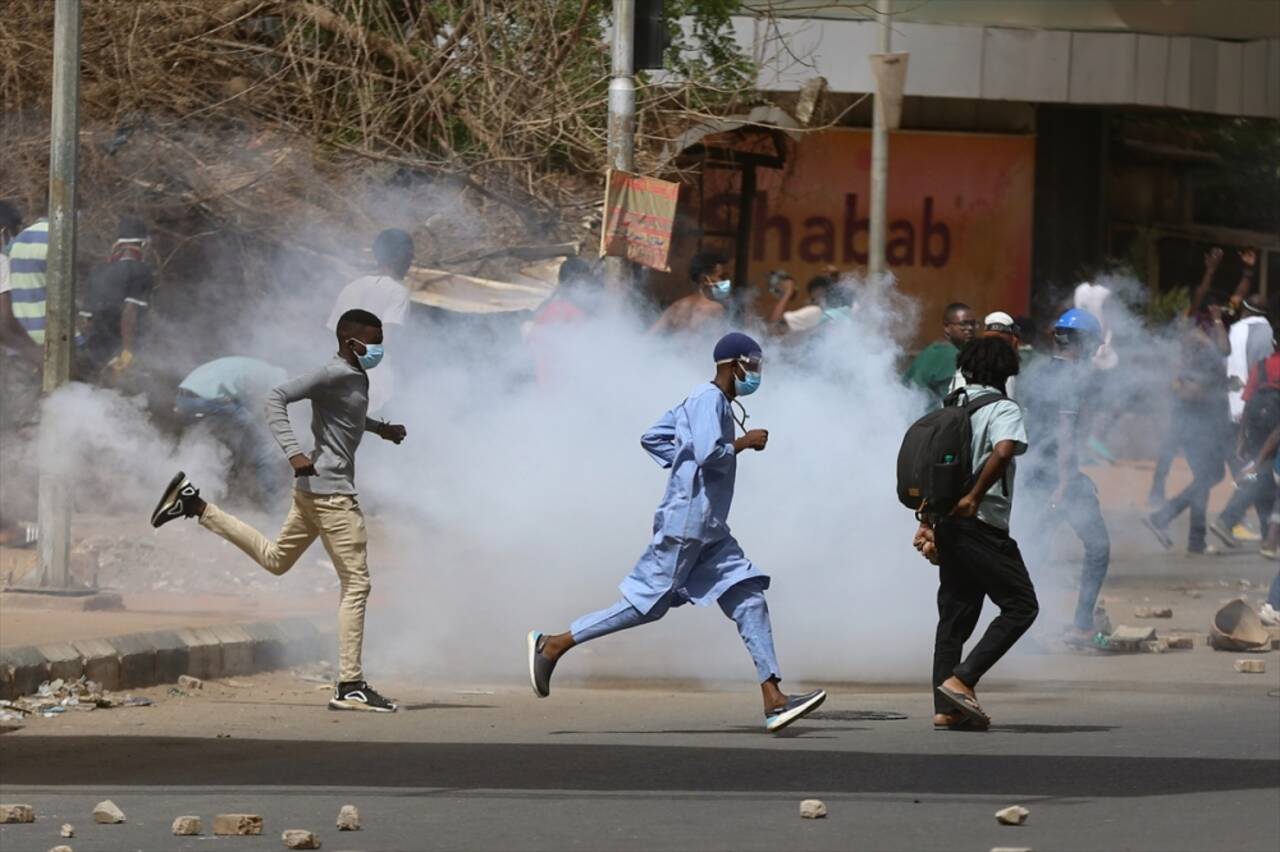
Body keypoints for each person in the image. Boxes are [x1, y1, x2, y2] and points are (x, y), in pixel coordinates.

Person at [527, 332, 827, 733]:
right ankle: (554, 643)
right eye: (751, 365)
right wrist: (741, 444)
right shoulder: (707, 399)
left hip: (710, 529)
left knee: (749, 596)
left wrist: (683, 464)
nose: (755, 373)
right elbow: (707, 453)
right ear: (732, 364)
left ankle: (774, 698)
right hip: (686, 526)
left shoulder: (708, 401)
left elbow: (653, 438)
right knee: (646, 605)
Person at [150, 309, 408, 713]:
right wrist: (293, 452)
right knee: (357, 585)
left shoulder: (355, 376)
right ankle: (350, 684)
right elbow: (275, 398)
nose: (378, 349)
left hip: (312, 493)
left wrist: (382, 429)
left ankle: (194, 504)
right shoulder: (332, 374)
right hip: (332, 496)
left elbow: (347, 416)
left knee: (275, 560)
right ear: (349, 340)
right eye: (373, 342)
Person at [913, 337, 1036, 730]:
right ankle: (962, 680)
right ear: (1006, 372)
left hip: (948, 523)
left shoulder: (953, 407)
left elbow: (931, 468)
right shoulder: (1003, 408)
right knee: (1021, 605)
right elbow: (1003, 450)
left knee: (955, 615)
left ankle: (945, 708)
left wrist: (928, 519)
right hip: (981, 523)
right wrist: (974, 497)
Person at [1019, 308, 1111, 644]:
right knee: (1098, 548)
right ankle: (1082, 626)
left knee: (1033, 551)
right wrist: (1064, 483)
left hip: (1031, 471)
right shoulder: (1072, 380)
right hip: (1059, 477)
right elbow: (1064, 434)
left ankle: (1019, 629)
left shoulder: (1037, 371)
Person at [1143, 314, 1229, 554]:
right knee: (1211, 475)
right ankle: (1162, 518)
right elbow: (1223, 351)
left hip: (1196, 425)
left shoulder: (1193, 354)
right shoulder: (1204, 350)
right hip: (1197, 426)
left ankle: (1196, 540)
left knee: (1204, 479)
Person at [174, 356, 290, 506]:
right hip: (207, 400)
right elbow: (254, 407)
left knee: (219, 444)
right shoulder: (271, 378)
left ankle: (203, 496)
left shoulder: (253, 367)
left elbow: (243, 404)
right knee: (265, 447)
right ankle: (274, 506)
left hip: (184, 399)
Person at [326, 229, 414, 415]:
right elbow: (384, 340)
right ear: (397, 257)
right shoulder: (397, 292)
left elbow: (330, 337)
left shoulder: (351, 288)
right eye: (409, 256)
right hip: (372, 387)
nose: (410, 263)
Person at [1209, 347, 1280, 549]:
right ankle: (1226, 519)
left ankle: (1269, 536)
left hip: (1255, 421)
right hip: (1274, 424)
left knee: (1263, 478)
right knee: (1263, 473)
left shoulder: (1262, 365)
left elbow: (1248, 400)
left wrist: (1241, 438)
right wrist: (1256, 464)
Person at [82, 216, 155, 380]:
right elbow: (130, 312)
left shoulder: (98, 270)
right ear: (143, 244)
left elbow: (88, 322)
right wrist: (127, 351)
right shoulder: (140, 271)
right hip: (121, 351)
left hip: (96, 355)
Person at [1226, 251, 1270, 426]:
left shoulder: (1233, 326)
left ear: (1244, 309)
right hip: (1261, 402)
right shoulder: (1270, 331)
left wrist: (1248, 271)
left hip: (1234, 401)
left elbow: (1234, 302)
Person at [903, 302, 976, 407]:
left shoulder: (933, 351)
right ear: (946, 326)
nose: (970, 328)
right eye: (963, 324)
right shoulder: (950, 356)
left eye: (973, 324)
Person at [650, 251, 731, 335]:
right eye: (721, 277)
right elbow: (719, 344)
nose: (725, 281)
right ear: (705, 279)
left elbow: (648, 337)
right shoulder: (715, 309)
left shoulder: (676, 307)